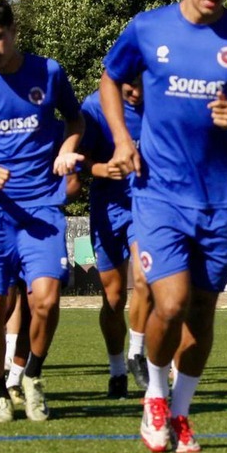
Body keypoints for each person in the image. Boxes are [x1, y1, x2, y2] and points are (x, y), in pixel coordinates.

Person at [100, 0, 227, 453]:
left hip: (221, 200)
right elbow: (112, 78)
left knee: (202, 313)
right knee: (169, 303)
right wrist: (122, 140)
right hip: (159, 194)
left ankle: (179, 414)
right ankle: (154, 395)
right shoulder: (148, 29)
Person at [0, 0, 84, 423]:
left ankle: (32, 377)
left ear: (14, 31)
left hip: (42, 204)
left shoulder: (48, 71)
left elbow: (76, 119)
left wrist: (66, 150)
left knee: (45, 300)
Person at [79, 78, 148, 397]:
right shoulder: (94, 107)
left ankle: (137, 353)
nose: (136, 94)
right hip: (108, 209)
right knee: (114, 296)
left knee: (147, 279)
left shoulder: (161, 102)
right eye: (129, 88)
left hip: (147, 207)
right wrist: (104, 170)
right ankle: (117, 370)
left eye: (141, 86)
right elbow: (81, 162)